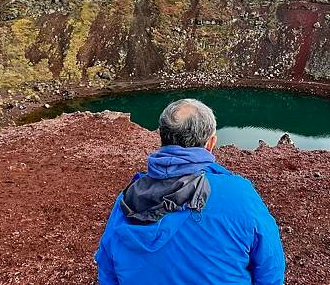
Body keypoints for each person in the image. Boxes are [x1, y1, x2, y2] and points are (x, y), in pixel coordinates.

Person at [95, 98, 285, 284]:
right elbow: (270, 268)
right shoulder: (240, 195)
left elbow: (107, 268)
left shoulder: (129, 198)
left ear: (162, 137)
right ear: (211, 143)